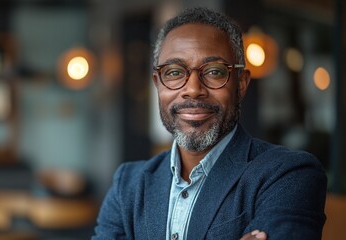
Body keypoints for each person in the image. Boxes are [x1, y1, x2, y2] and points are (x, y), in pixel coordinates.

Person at [92, 7, 327, 240]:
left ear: (241, 83)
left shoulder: (289, 176)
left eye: (214, 72)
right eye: (174, 72)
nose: (193, 89)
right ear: (158, 83)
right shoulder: (128, 185)